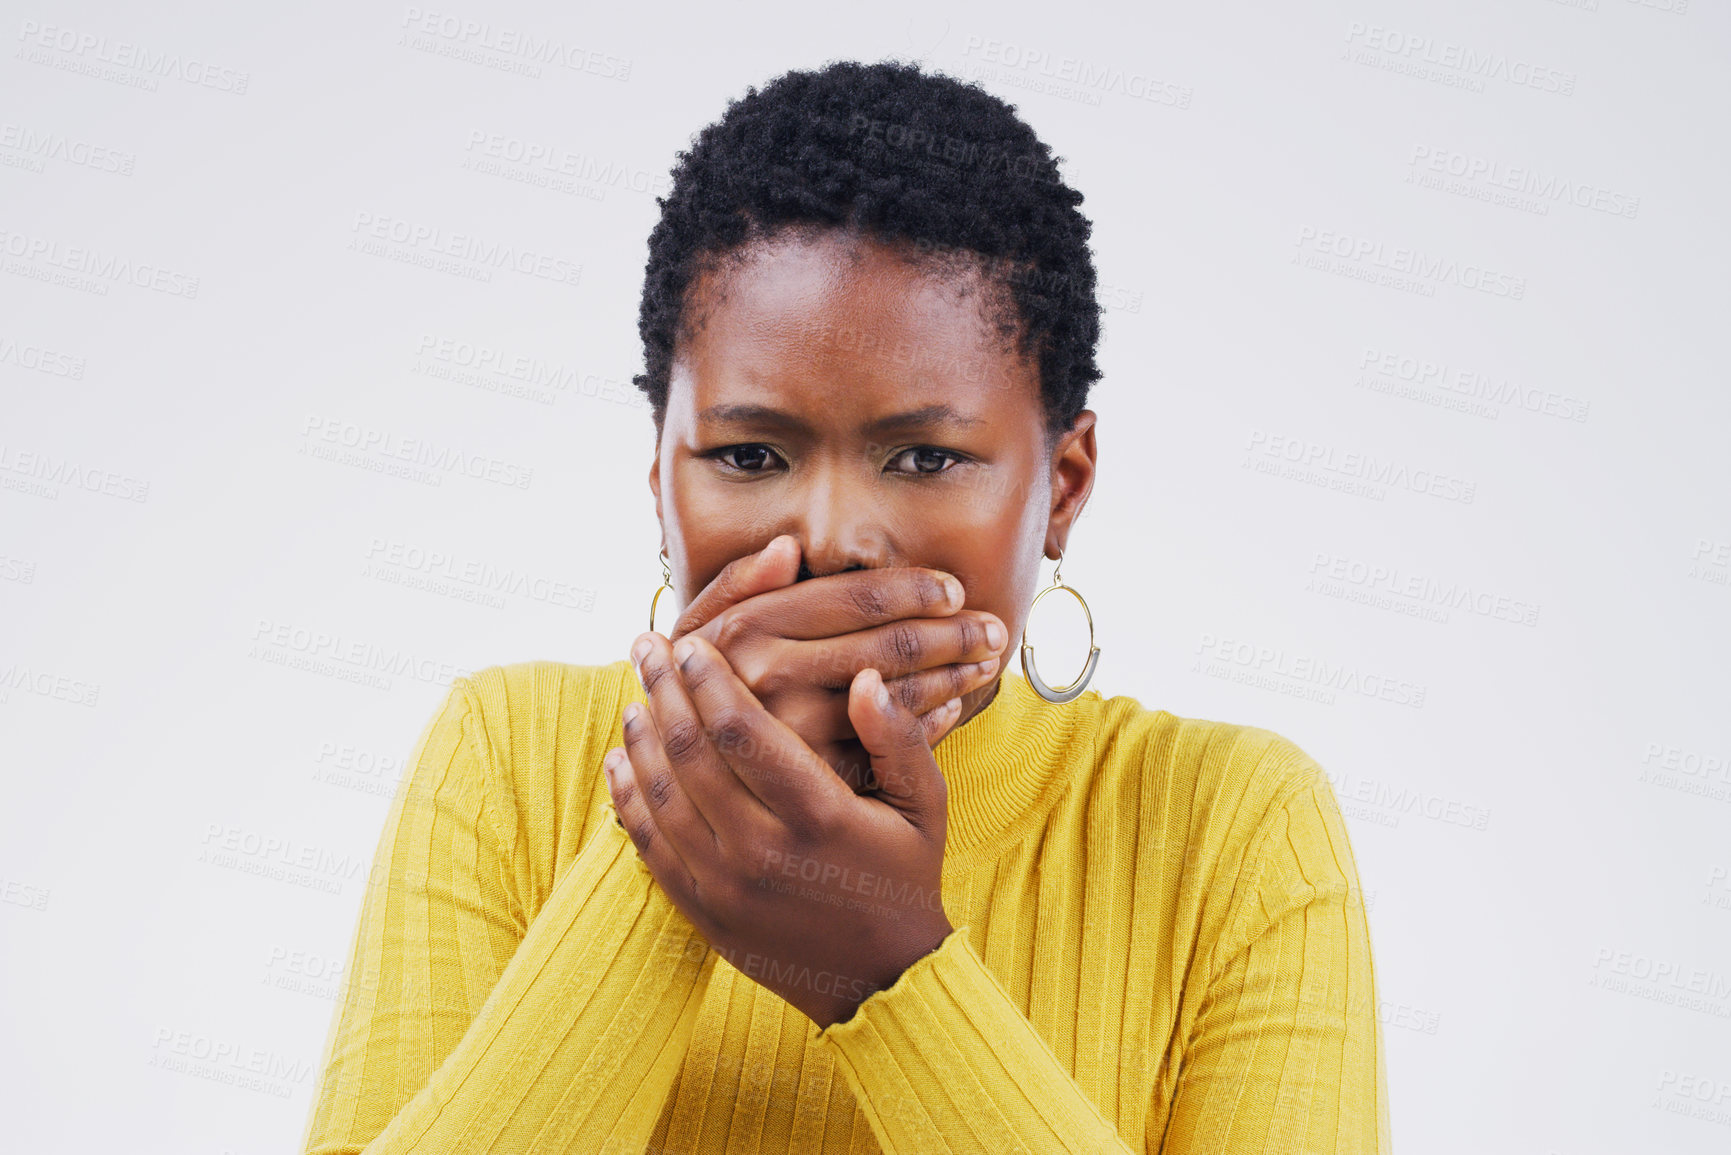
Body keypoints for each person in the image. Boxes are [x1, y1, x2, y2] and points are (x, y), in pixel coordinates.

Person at [301, 59, 1391, 1154]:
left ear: (1061, 485)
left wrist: (892, 973)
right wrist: (681, 835)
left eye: (923, 455)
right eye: (751, 452)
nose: (829, 535)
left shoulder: (1241, 829)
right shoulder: (506, 756)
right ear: (660, 478)